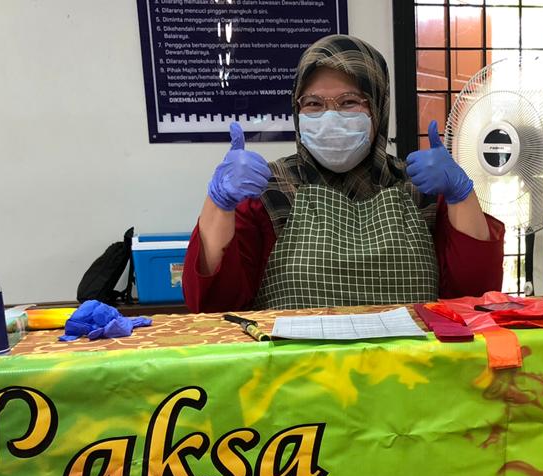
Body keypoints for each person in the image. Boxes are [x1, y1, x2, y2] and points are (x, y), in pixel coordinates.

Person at [182, 35, 505, 313]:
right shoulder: (267, 190)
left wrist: (461, 195)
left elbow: (474, 296)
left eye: (350, 102)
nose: (330, 117)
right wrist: (219, 201)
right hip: (296, 377)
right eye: (313, 104)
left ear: (378, 107)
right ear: (297, 110)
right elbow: (212, 305)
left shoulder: (421, 188)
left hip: (407, 374)